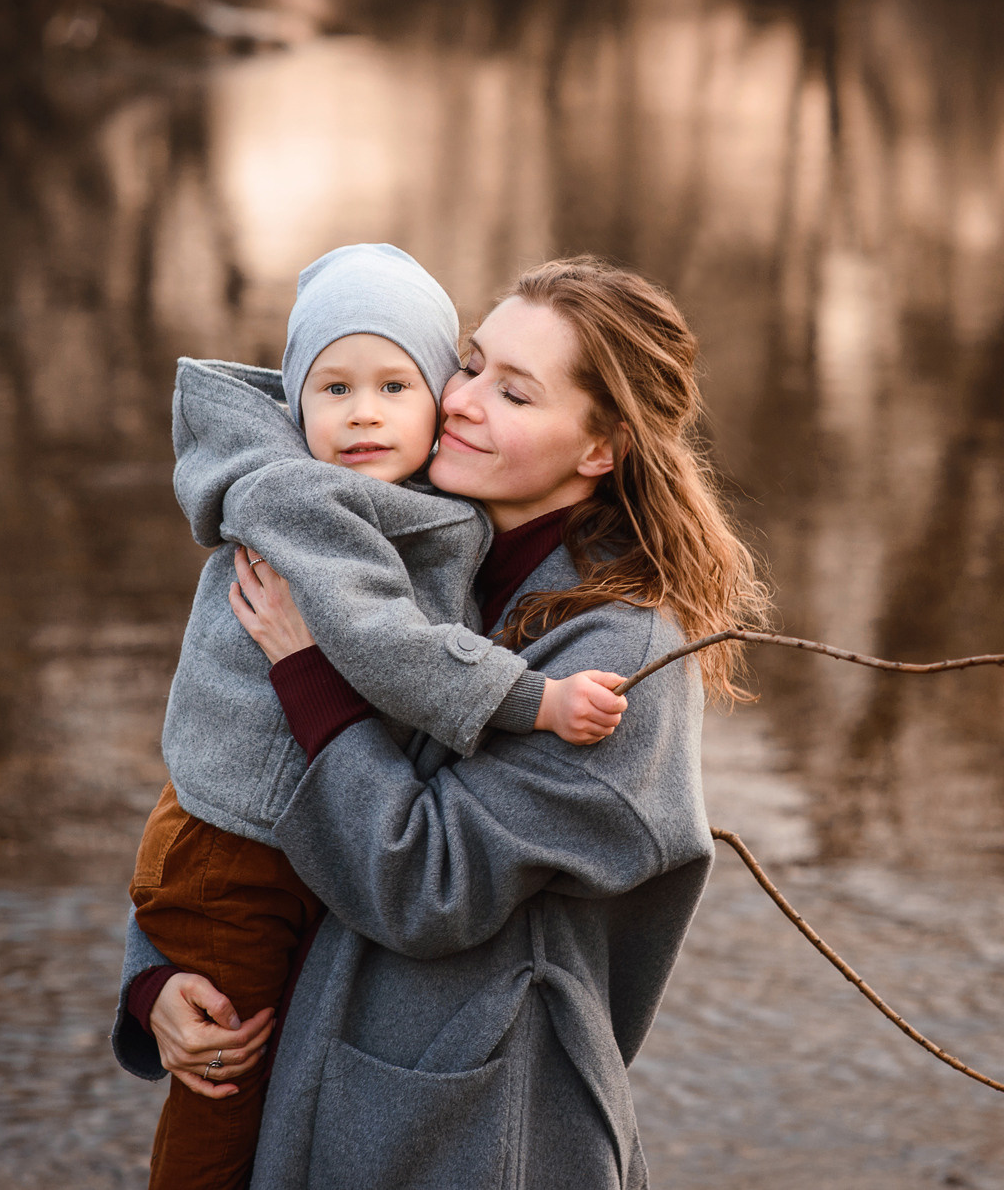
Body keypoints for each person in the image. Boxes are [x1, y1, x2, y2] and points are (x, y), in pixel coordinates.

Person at [110, 257, 768, 1189]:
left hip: (477, 1129)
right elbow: (231, 780)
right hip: (302, 1074)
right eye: (470, 363)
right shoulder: (396, 543)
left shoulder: (622, 661)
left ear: (598, 448)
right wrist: (164, 979)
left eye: (514, 392)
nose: (458, 400)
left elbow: (427, 881)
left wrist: (309, 673)